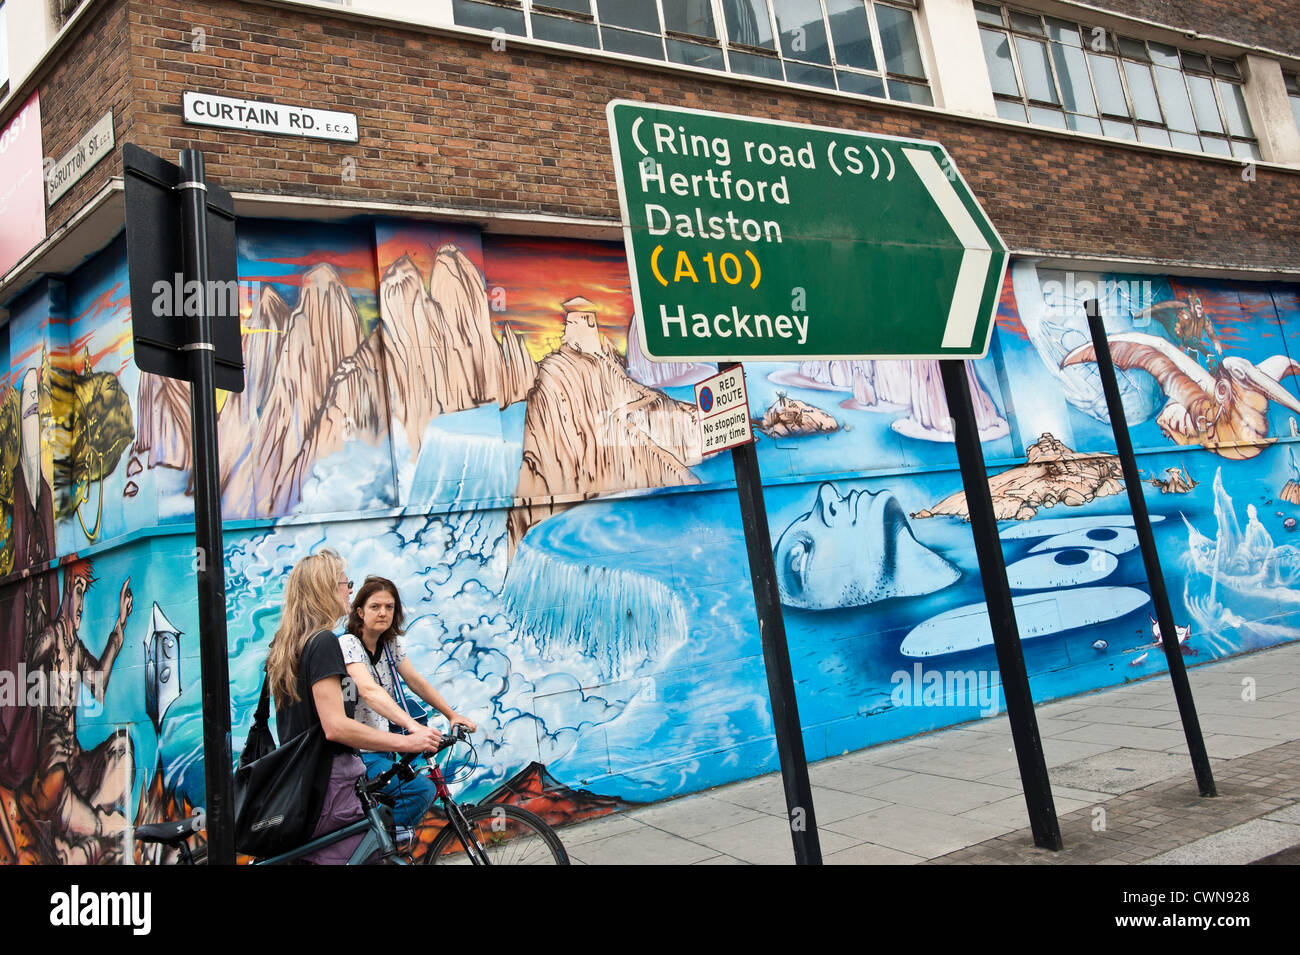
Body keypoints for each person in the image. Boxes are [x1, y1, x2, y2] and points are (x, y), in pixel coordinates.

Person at [265, 551, 440, 864]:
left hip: (304, 780)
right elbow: (336, 727)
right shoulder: (322, 643)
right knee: (369, 854)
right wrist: (406, 741)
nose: (349, 590)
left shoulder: (287, 643)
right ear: (326, 588)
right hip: (329, 783)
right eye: (345, 583)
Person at [340, 576, 477, 829]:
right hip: (359, 754)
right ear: (359, 611)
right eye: (375, 607)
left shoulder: (389, 644)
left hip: (384, 747)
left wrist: (451, 715)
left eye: (389, 607)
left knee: (410, 788)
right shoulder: (348, 644)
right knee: (420, 790)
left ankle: (383, 842)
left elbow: (416, 681)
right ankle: (376, 852)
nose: (383, 613)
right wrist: (413, 727)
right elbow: (369, 691)